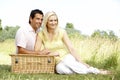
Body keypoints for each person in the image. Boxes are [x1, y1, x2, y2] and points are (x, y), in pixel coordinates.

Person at [35, 11, 111, 74]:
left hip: (65, 56)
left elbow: (71, 48)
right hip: (57, 62)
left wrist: (81, 62)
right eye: (51, 20)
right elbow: (36, 51)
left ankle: (95, 71)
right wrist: (50, 53)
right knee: (60, 70)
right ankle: (87, 71)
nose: (53, 22)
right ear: (46, 22)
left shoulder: (62, 32)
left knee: (68, 62)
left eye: (55, 20)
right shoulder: (41, 34)